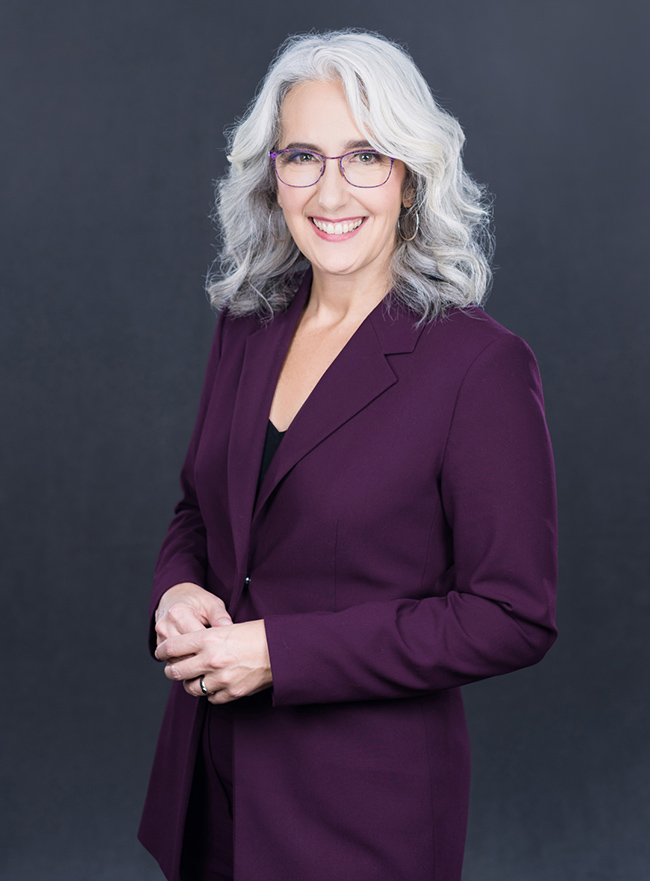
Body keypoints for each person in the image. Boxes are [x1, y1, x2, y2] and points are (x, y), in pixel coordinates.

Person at [139, 29, 557, 881]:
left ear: (409, 176)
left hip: (362, 821)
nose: (332, 190)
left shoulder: (479, 364)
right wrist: (177, 590)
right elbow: (198, 510)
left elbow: (512, 614)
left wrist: (279, 653)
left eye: (365, 156)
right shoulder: (251, 323)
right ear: (272, 175)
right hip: (209, 792)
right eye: (304, 156)